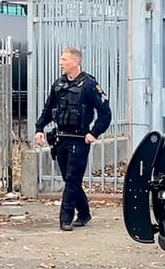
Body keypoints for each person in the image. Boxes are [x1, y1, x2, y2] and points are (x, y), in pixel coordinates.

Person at [34, 47, 111, 231]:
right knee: (70, 180)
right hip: (61, 138)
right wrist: (39, 128)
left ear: (75, 62)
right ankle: (84, 213)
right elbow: (48, 109)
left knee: (72, 179)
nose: (61, 63)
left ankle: (65, 219)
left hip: (80, 139)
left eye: (64, 59)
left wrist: (94, 133)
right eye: (61, 59)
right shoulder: (59, 84)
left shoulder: (89, 85)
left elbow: (105, 113)